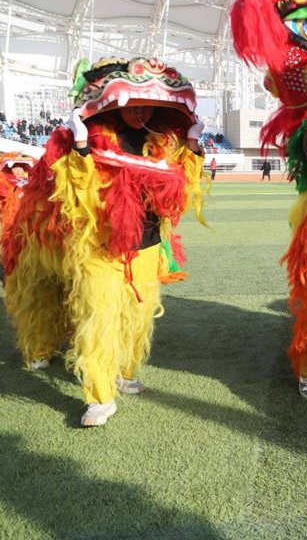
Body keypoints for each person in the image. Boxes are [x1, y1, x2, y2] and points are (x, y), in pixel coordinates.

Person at [4, 56, 206, 427]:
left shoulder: (164, 142)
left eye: (148, 104)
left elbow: (182, 188)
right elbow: (75, 191)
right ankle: (100, 396)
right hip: (97, 247)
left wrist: (192, 145)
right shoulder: (84, 141)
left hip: (144, 248)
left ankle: (125, 373)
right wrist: (81, 147)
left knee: (138, 316)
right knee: (98, 317)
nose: (139, 110)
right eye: (132, 103)